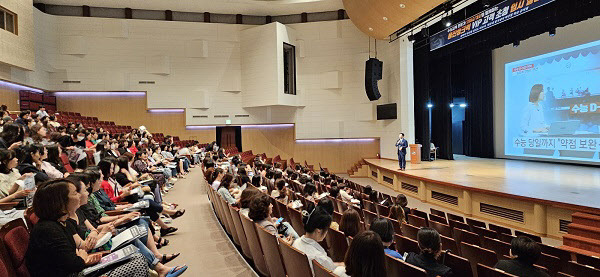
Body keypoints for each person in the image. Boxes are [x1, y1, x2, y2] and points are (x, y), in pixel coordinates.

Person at [25, 179, 150, 277]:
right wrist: (81, 257)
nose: (79, 196)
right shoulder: (48, 230)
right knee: (138, 262)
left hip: (77, 270)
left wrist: (82, 255)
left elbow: (82, 249)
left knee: (134, 255)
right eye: (75, 193)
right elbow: (76, 263)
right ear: (60, 202)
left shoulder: (63, 221)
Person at [292, 205, 338, 274]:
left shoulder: (296, 242)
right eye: (326, 229)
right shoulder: (319, 258)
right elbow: (332, 270)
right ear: (318, 231)